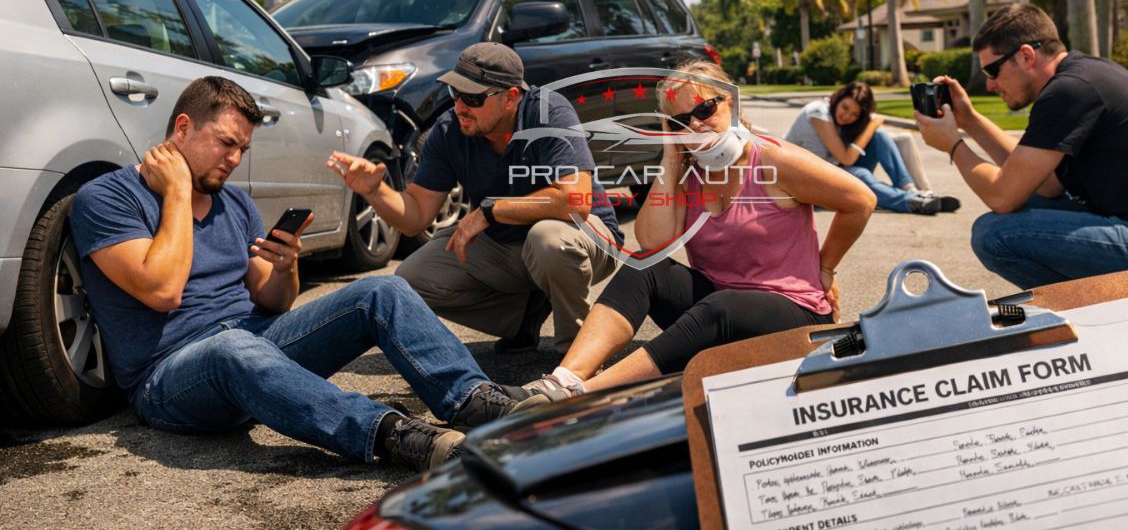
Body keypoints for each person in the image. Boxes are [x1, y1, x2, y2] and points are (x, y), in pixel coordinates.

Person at [70, 77, 532, 473]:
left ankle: (473, 400)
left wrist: (286, 266)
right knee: (234, 347)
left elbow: (272, 303)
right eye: (226, 144)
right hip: (171, 376)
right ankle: (392, 434)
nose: (233, 160)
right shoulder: (107, 198)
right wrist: (176, 191)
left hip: (255, 342)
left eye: (243, 149)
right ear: (183, 128)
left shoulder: (234, 203)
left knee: (382, 289)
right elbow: (162, 290)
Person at [519, 61, 876, 402]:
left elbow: (860, 200)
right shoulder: (688, 174)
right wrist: (672, 158)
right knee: (645, 266)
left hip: (793, 319)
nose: (695, 125)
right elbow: (653, 243)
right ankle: (561, 380)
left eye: (704, 110)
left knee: (722, 306)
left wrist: (825, 267)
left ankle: (582, 395)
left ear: (730, 102)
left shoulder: (772, 160)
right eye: (679, 122)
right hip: (716, 313)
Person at [327, 42, 622, 354]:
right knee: (410, 280)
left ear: (510, 98)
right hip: (506, 246)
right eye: (456, 94)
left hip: (586, 234)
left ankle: (576, 354)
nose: (459, 107)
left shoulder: (549, 112)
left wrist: (491, 211)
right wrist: (377, 191)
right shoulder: (449, 130)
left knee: (548, 240)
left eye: (473, 98)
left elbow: (575, 201)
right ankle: (521, 317)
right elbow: (415, 216)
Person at [914, 3, 1128, 289]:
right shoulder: (1082, 76)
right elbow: (1047, 186)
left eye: (992, 70)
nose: (989, 84)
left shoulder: (1068, 91)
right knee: (1026, 207)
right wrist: (970, 122)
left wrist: (954, 145)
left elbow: (1001, 197)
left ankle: (1088, 318)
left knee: (993, 235)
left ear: (1026, 56)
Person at [784, 81, 960, 215]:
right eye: (845, 107)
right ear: (838, 98)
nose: (846, 116)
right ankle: (912, 201)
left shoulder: (836, 118)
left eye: (854, 114)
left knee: (880, 136)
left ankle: (910, 189)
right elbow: (846, 159)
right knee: (861, 174)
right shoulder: (818, 113)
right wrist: (871, 125)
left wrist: (873, 128)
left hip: (829, 173)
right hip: (805, 184)